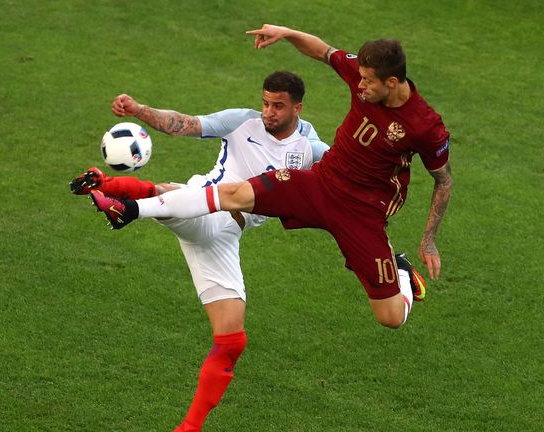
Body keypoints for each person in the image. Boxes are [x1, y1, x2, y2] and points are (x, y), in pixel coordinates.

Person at [89, 25, 452, 330]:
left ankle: (401, 272)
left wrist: (430, 240)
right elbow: (324, 51)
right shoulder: (362, 75)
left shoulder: (425, 126)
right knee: (232, 193)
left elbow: (443, 180)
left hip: (362, 213)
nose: (359, 86)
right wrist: (287, 32)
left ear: (391, 82)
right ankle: (132, 210)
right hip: (320, 184)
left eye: (368, 82)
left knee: (389, 318)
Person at [72, 71, 329, 432]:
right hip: (205, 208)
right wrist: (139, 109)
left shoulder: (312, 152)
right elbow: (185, 125)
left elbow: (350, 195)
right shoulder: (243, 122)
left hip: (226, 237)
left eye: (278, 106)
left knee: (232, 340)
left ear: (298, 108)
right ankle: (117, 198)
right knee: (180, 201)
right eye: (265, 103)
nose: (268, 112)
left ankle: (189, 428)